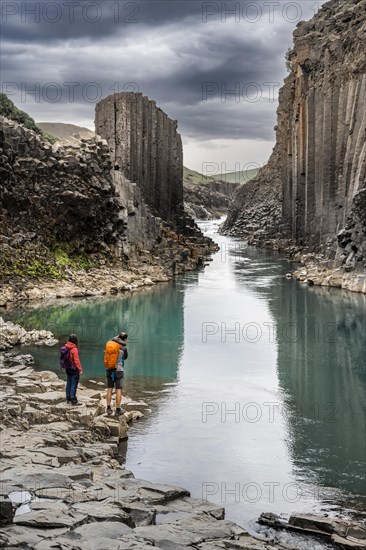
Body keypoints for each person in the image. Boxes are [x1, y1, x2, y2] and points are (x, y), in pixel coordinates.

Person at [104, 332, 128, 416]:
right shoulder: (123, 348)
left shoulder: (110, 344)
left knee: (109, 388)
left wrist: (115, 337)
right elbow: (125, 357)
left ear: (118, 337)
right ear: (125, 339)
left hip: (109, 369)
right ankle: (118, 409)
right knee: (118, 390)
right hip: (119, 370)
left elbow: (109, 341)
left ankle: (108, 408)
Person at [63, 334, 83, 405]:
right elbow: (76, 361)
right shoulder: (74, 349)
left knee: (69, 382)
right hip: (74, 369)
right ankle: (73, 399)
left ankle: (68, 397)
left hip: (67, 368)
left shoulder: (66, 346)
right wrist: (80, 370)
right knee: (74, 384)